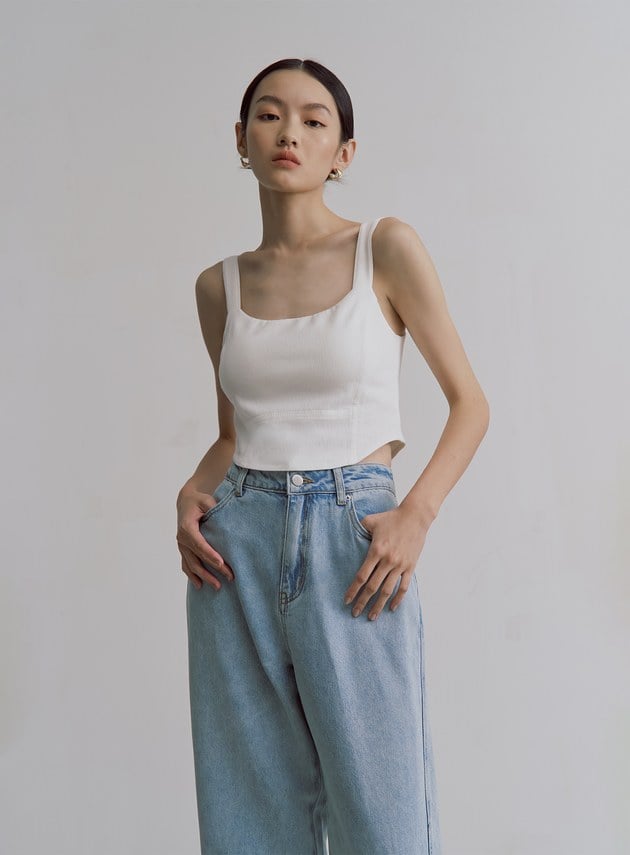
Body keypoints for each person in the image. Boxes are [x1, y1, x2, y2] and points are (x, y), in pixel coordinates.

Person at [175, 57, 489, 855]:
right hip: (236, 550)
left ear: (343, 152)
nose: (289, 132)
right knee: (248, 823)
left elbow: (471, 403)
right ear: (240, 139)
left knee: (384, 823)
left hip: (355, 541)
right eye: (269, 114)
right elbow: (233, 432)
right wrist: (189, 494)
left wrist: (415, 514)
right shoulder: (218, 287)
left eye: (314, 120)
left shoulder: (384, 248)